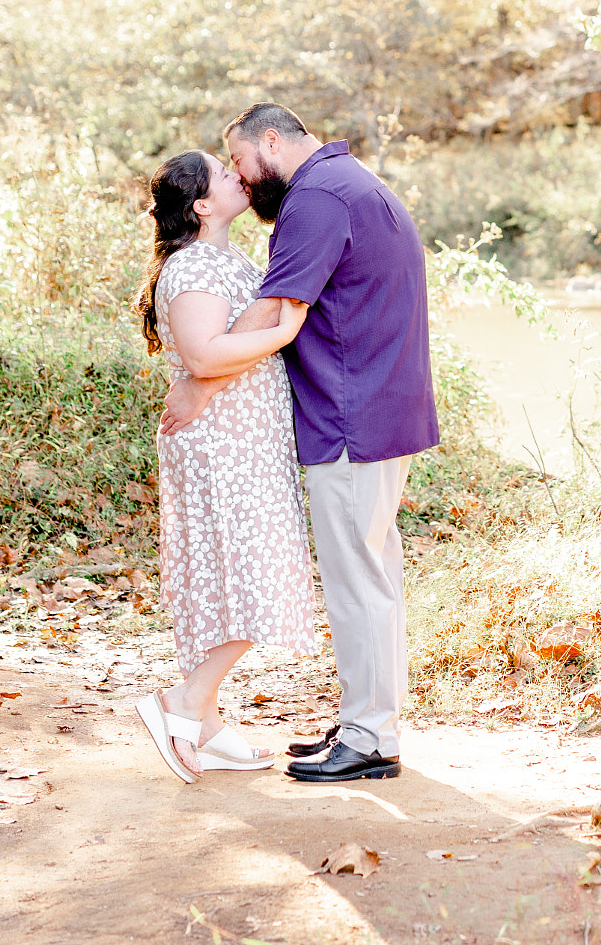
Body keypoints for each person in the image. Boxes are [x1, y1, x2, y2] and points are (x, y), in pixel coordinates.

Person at [161, 104, 438, 783]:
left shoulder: (315, 199)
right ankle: (368, 722)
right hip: (376, 407)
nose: (245, 182)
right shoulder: (349, 182)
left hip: (352, 415)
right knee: (374, 576)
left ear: (273, 142)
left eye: (242, 162)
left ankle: (371, 737)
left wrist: (205, 379)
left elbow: (271, 307)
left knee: (358, 582)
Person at [129, 149, 320, 783]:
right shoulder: (192, 268)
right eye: (222, 173)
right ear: (201, 205)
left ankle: (204, 722)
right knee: (258, 575)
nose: (239, 175)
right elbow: (207, 356)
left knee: (228, 577)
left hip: (244, 441)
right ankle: (182, 702)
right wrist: (284, 333)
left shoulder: (225, 259)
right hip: (220, 447)